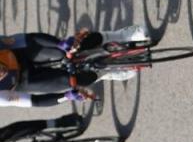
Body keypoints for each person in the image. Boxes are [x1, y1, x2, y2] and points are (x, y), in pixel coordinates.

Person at [0, 26, 145, 107]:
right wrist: (66, 96)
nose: (1, 72)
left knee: (68, 50)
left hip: (21, 52)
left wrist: (60, 43)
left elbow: (28, 38)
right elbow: (34, 101)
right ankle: (104, 73)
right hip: (23, 81)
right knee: (73, 81)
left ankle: (120, 35)